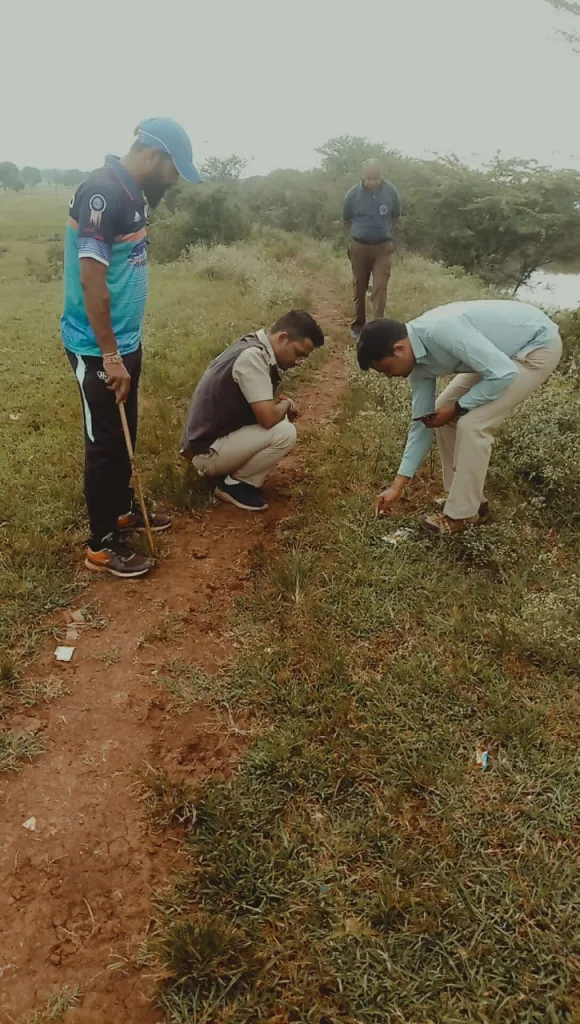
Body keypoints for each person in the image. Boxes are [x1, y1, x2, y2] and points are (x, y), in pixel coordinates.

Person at [61, 117, 203, 578]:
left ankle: (122, 509)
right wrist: (110, 356)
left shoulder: (132, 193)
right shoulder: (101, 193)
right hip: (97, 347)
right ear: (151, 156)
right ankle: (101, 543)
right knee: (104, 442)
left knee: (126, 431)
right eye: (174, 169)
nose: (176, 179)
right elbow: (91, 280)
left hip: (124, 342)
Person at [356, 299, 562, 534]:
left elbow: (503, 373)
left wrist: (459, 407)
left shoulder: (441, 331)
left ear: (400, 349)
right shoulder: (417, 366)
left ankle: (462, 515)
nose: (388, 377)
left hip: (535, 347)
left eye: (386, 369)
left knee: (473, 424)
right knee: (441, 414)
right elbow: (423, 424)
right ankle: (469, 501)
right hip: (499, 357)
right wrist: (397, 486)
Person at [180, 310, 325, 511]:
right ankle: (235, 485)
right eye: (299, 353)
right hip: (205, 452)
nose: (298, 362)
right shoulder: (253, 357)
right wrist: (287, 405)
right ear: (283, 338)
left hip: (203, 442)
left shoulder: (251, 345)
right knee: (284, 432)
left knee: (278, 423)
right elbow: (267, 418)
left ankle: (227, 472)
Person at [343, 159, 401, 341]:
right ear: (363, 176)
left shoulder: (391, 192)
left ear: (381, 175)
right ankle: (359, 326)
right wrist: (361, 234)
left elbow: (395, 216)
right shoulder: (352, 194)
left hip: (383, 249)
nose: (372, 182)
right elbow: (347, 219)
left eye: (376, 178)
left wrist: (381, 232)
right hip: (359, 247)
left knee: (380, 288)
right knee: (359, 287)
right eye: (369, 178)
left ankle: (377, 330)